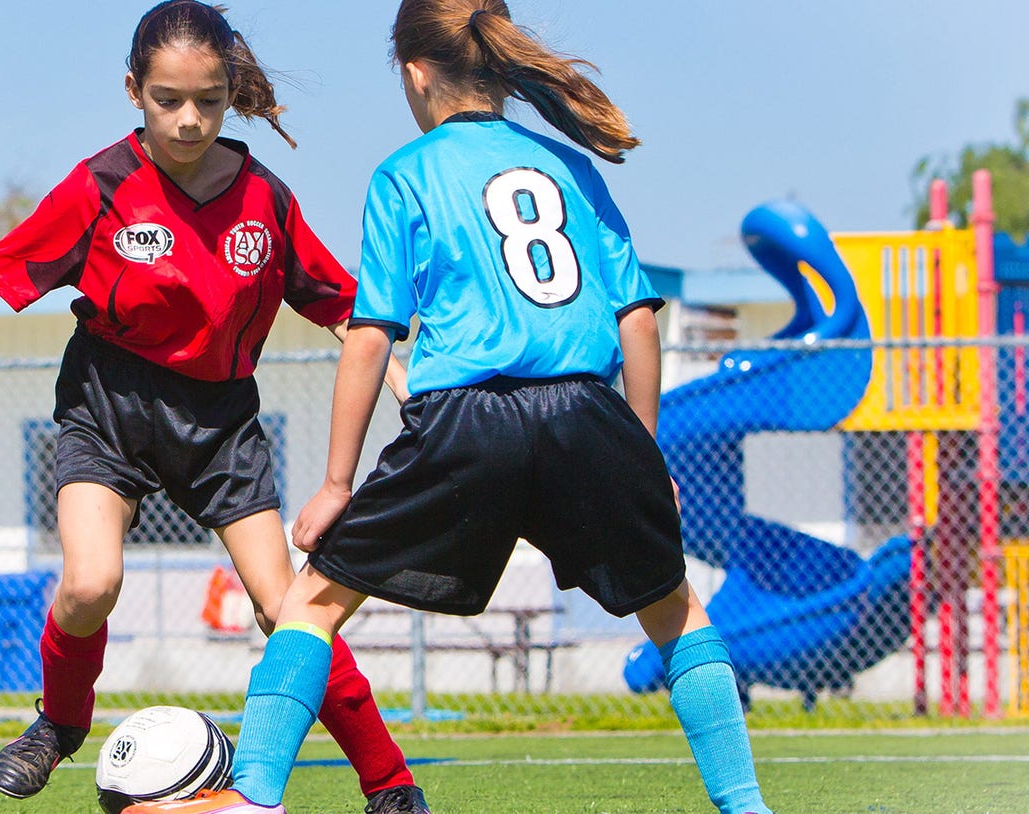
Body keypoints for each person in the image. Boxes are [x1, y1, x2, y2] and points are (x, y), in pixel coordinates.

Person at [125, 2, 776, 813]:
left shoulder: (407, 173)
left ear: (415, 71)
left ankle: (254, 795)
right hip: (585, 414)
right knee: (676, 611)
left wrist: (335, 483)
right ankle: (746, 805)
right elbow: (637, 318)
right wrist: (642, 453)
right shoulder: (570, 167)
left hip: (466, 421)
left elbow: (369, 339)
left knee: (313, 603)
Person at [0, 3, 430, 812]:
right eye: (167, 100)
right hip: (108, 409)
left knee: (288, 610)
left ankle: (389, 784)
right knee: (89, 585)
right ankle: (58, 725)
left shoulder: (264, 199)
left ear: (229, 93)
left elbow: (343, 307)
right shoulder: (99, 188)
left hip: (220, 426)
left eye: (208, 101)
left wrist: (408, 383)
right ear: (133, 92)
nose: (189, 120)